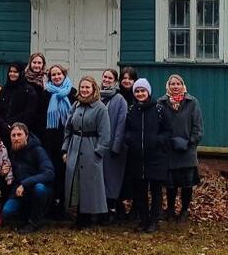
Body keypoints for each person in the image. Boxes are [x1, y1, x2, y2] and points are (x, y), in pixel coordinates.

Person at [62, 75, 110, 228]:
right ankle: (77, 214)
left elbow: (105, 133)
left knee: (90, 184)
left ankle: (88, 217)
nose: (84, 90)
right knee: (75, 182)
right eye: (82, 87)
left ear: (93, 88)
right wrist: (65, 149)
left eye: (87, 87)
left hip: (91, 148)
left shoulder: (100, 107)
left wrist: (98, 152)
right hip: (74, 147)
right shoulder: (76, 105)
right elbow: (68, 128)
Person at [124, 78, 171, 233]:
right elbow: (126, 130)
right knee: (140, 191)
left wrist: (158, 141)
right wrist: (129, 139)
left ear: (148, 92)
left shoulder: (159, 109)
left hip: (155, 157)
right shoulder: (131, 110)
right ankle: (143, 220)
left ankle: (153, 221)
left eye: (143, 91)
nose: (140, 94)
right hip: (137, 157)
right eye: (137, 91)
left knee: (156, 191)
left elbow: (167, 130)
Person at [162, 74, 204, 221]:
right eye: (172, 84)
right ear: (168, 86)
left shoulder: (192, 103)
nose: (175, 86)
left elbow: (198, 128)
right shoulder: (161, 103)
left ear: (183, 85)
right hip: (169, 151)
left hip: (187, 151)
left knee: (187, 184)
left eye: (178, 84)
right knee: (170, 184)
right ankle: (170, 209)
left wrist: (190, 142)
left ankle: (185, 210)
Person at [1, 123, 55, 234]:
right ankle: (25, 218)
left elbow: (49, 173)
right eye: (13, 135)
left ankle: (34, 222)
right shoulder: (11, 152)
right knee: (7, 212)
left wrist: (25, 184)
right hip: (20, 192)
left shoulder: (38, 150)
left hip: (38, 188)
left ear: (26, 136)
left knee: (39, 189)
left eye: (19, 135)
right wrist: (3, 174)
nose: (16, 138)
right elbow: (10, 180)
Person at [42, 63, 74, 216]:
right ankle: (51, 205)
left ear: (64, 75)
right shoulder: (46, 94)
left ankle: (64, 205)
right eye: (53, 75)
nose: (56, 77)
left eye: (59, 74)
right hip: (50, 140)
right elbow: (41, 118)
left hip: (67, 139)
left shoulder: (72, 93)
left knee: (65, 173)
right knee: (52, 172)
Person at [99, 68, 130, 220]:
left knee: (112, 179)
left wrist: (116, 145)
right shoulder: (96, 95)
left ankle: (112, 209)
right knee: (99, 178)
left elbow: (121, 124)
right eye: (104, 77)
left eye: (110, 78)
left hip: (113, 147)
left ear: (115, 81)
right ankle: (99, 209)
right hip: (98, 146)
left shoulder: (120, 100)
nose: (106, 80)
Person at [0, 62, 39, 134]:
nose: (12, 74)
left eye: (15, 72)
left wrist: (12, 124)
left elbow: (30, 113)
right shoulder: (4, 90)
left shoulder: (28, 90)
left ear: (21, 73)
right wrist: (2, 124)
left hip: (20, 132)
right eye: (10, 71)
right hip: (3, 131)